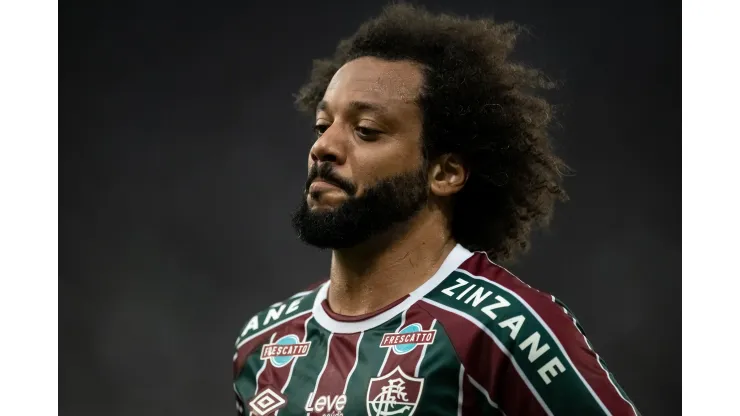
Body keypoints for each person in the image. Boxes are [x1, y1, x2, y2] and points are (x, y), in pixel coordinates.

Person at [233, 4, 639, 415]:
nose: (323, 147)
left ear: (444, 173)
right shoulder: (262, 343)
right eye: (323, 125)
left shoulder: (504, 330)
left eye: (366, 131)